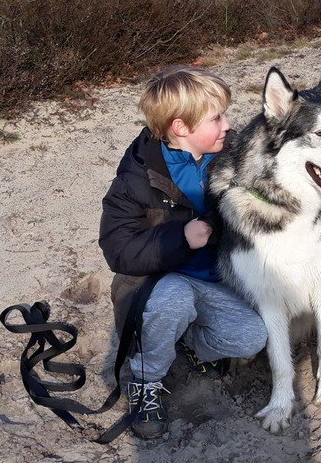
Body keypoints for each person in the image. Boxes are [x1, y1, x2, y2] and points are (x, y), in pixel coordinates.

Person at [99, 66, 267, 439]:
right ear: (181, 128)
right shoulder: (136, 178)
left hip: (220, 282)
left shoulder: (236, 158)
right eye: (216, 118)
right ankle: (144, 380)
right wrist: (180, 238)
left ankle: (191, 343)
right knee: (173, 299)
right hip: (161, 283)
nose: (227, 125)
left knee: (252, 337)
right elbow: (118, 249)